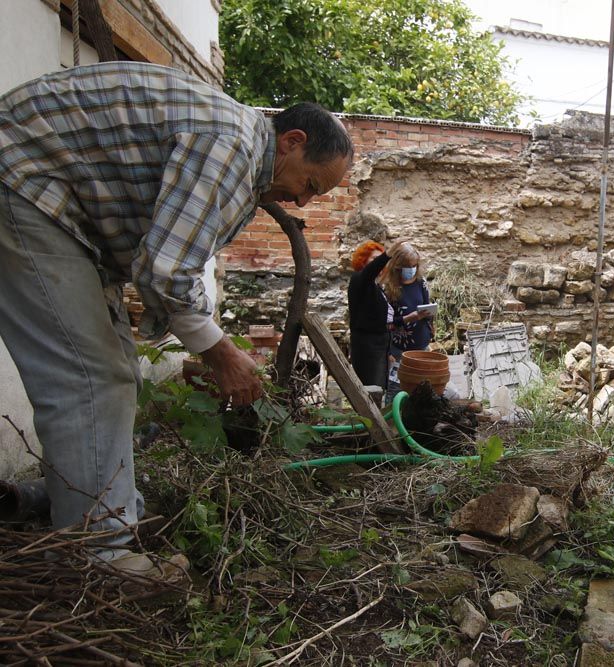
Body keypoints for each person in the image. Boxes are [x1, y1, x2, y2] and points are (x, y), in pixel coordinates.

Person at [0, 62, 353, 577]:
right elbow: (166, 271)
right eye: (309, 185)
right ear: (292, 142)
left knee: (117, 370)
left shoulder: (238, 148)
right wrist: (220, 352)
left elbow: (167, 261)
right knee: (91, 378)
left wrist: (208, 339)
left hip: (59, 209)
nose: (301, 202)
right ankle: (100, 558)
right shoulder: (230, 144)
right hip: (22, 184)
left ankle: (81, 507)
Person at [382, 242, 435, 402]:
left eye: (414, 265)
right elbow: (386, 322)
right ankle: (391, 421)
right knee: (395, 389)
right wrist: (408, 318)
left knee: (422, 389)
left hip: (421, 346)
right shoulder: (388, 288)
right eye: (407, 266)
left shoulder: (421, 282)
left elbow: (427, 305)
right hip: (399, 349)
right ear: (398, 265)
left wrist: (431, 323)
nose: (411, 269)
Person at [347, 240, 391, 391]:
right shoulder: (359, 279)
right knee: (372, 389)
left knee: (379, 389)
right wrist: (387, 255)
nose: (379, 263)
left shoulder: (375, 286)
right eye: (374, 259)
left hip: (379, 344)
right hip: (367, 346)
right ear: (363, 260)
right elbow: (369, 272)